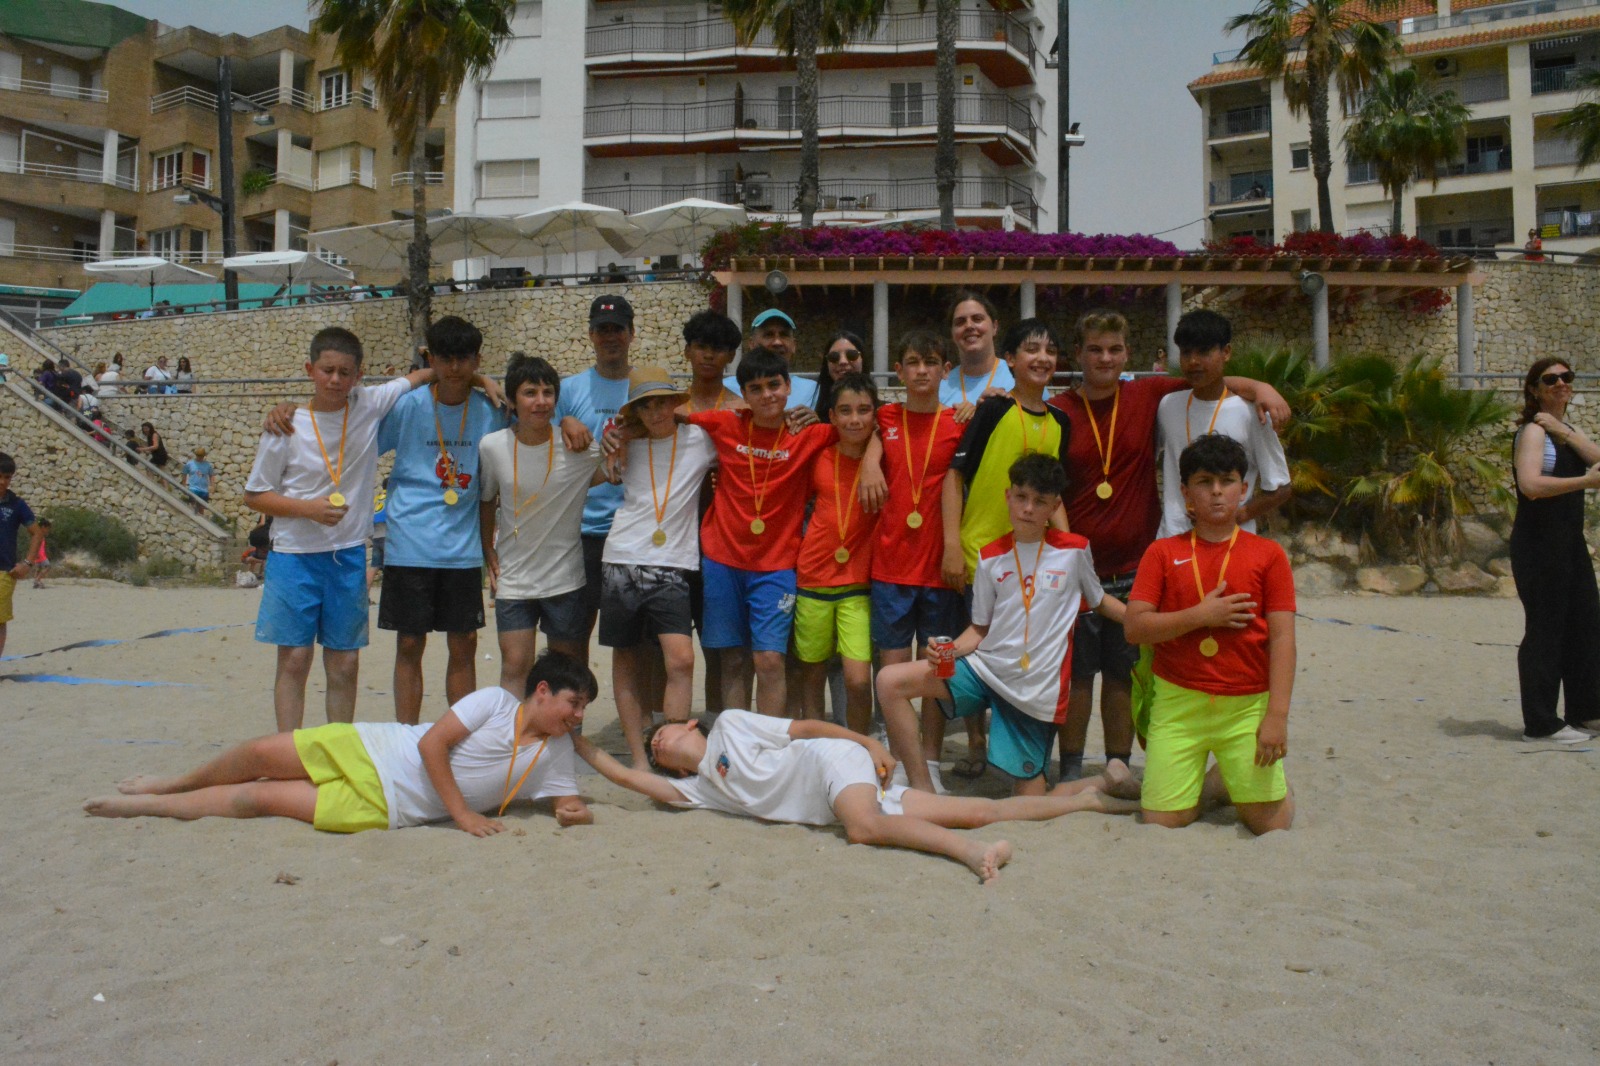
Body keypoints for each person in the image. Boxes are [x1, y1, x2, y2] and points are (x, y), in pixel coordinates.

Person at [1049, 309, 1289, 780]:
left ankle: (1125, 763)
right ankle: (1073, 768)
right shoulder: (1067, 409)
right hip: (1094, 560)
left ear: (1128, 355)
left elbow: (1211, 381)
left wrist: (1262, 387)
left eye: (1115, 349)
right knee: (1077, 672)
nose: (1105, 358)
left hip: (1142, 558)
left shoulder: (1148, 395)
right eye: (1095, 349)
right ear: (1077, 354)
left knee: (1132, 669)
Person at [572, 711, 1136, 885]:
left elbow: (805, 728)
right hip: (835, 796)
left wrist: (867, 742)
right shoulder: (698, 791)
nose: (658, 744)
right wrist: (570, 736)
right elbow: (625, 777)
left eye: (662, 732)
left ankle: (972, 855)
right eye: (655, 749)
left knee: (863, 828)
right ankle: (1088, 796)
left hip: (833, 765)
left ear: (690, 723)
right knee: (981, 810)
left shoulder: (731, 725)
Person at [84, 651, 596, 834]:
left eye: (583, 711)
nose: (576, 718)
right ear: (542, 691)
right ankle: (172, 783)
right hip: (373, 746)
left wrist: (571, 810)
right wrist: (462, 815)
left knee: (260, 797)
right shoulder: (494, 702)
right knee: (261, 754)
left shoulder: (555, 751)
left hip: (386, 807)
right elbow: (431, 746)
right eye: (573, 704)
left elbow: (566, 798)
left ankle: (147, 806)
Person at [882, 454, 1122, 796]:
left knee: (1029, 803)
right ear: (1008, 497)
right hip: (985, 670)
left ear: (1054, 506)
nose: (1028, 508)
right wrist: (947, 651)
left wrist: (1146, 623)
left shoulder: (1075, 550)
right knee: (889, 681)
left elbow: (1099, 601)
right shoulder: (989, 555)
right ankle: (923, 788)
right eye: (1021, 497)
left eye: (1040, 501)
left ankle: (1102, 783)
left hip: (1032, 690)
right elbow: (980, 629)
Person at [242, 327, 442, 733]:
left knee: (345, 662)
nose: (335, 380)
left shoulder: (368, 403)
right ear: (309, 370)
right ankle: (291, 750)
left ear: (359, 374)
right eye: (327, 370)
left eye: (345, 372)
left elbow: (425, 374)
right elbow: (255, 495)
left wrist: (485, 380)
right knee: (295, 659)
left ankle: (338, 747)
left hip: (347, 555)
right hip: (294, 555)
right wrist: (308, 510)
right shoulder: (285, 425)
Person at [1123, 434, 1296, 834]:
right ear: (1186, 493)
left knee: (1271, 826)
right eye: (1204, 482)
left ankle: (1233, 779)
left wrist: (1277, 716)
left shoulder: (1268, 555)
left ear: (1244, 488)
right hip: (1179, 703)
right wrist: (1201, 616)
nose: (1217, 491)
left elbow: (1283, 639)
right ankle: (1219, 781)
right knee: (1164, 821)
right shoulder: (1162, 553)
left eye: (1227, 481)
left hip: (1246, 704)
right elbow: (1135, 627)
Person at [938, 319, 1073, 778]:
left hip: (1031, 564)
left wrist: (1069, 553)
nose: (1042, 358)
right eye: (1031, 349)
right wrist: (951, 545)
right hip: (979, 556)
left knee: (1020, 653)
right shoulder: (993, 410)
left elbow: (1055, 497)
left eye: (1050, 350)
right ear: (1010, 359)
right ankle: (976, 743)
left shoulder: (1060, 422)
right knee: (972, 651)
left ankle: (1013, 750)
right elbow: (954, 476)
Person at [681, 348, 840, 715]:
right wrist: (619, 432)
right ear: (744, 395)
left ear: (789, 386)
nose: (767, 395)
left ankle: (768, 741)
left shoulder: (811, 434)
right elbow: (669, 414)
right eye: (756, 388)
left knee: (769, 660)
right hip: (723, 561)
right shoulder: (726, 423)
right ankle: (739, 740)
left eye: (774, 385)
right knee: (733, 659)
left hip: (777, 567)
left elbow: (865, 427)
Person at [373, 316, 504, 726]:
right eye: (446, 358)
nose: (455, 367)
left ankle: (460, 736)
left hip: (461, 549)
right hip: (409, 545)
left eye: (464, 358)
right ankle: (405, 736)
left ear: (477, 359)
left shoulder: (491, 411)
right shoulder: (407, 406)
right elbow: (359, 439)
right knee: (409, 644)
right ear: (431, 359)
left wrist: (486, 382)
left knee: (464, 644)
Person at [599, 366, 716, 766]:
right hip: (622, 558)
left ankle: (674, 753)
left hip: (672, 565)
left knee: (681, 659)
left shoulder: (699, 440)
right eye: (646, 406)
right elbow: (599, 472)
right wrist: (615, 439)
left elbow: (737, 425)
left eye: (663, 403)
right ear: (636, 412)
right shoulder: (623, 443)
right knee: (627, 660)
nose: (657, 412)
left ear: (675, 403)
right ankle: (638, 756)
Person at [871, 330, 967, 778]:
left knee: (937, 672)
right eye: (913, 362)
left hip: (940, 570)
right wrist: (870, 461)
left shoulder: (959, 422)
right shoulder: (885, 417)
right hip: (891, 566)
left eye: (931, 362)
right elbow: (862, 433)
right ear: (899, 371)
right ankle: (897, 761)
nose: (922, 370)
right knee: (891, 671)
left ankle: (929, 760)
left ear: (946, 369)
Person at [478, 354, 604, 696]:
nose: (541, 401)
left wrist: (573, 422)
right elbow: (487, 499)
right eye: (530, 393)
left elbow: (614, 466)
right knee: (515, 665)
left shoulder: (578, 447)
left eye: (548, 392)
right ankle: (514, 729)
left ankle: (568, 731)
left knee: (566, 671)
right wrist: (488, 549)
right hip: (514, 578)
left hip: (564, 578)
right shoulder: (492, 446)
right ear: (513, 399)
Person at [1509, 358, 1600, 744]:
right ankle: (1541, 724)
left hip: (1570, 544)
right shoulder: (1532, 432)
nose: (1561, 383)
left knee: (1585, 623)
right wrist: (1584, 482)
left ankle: (1586, 712)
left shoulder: (1567, 432)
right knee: (1545, 629)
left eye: (1566, 377)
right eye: (1550, 379)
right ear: (1534, 389)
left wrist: (1563, 431)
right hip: (1538, 544)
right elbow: (1530, 485)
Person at [793, 372, 882, 732]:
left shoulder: (885, 459)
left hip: (857, 585)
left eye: (863, 410)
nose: (854, 419)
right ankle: (816, 747)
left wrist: (875, 452)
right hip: (813, 579)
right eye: (845, 411)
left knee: (858, 680)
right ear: (831, 415)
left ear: (875, 414)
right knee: (812, 673)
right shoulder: (818, 456)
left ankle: (860, 746)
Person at [1155, 309, 1290, 538]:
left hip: (1230, 544)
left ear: (1226, 352)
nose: (1193, 361)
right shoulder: (1169, 405)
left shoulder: (1250, 414)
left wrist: (1238, 515)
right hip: (1174, 540)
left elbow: (1281, 488)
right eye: (1186, 352)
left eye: (1204, 351)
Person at [551, 294, 637, 654]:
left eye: (618, 329)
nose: (610, 337)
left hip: (633, 529)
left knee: (632, 643)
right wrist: (564, 423)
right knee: (571, 639)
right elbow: (539, 445)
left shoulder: (646, 389)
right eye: (603, 330)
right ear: (590, 334)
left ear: (632, 333)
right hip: (579, 531)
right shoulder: (568, 390)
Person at [721, 309, 821, 410]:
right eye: (768, 335)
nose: (777, 342)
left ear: (794, 345)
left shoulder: (812, 390)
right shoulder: (726, 388)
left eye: (784, 335)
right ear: (752, 344)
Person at [939, 290, 1013, 415]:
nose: (969, 326)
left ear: (994, 327)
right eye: (960, 322)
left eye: (977, 319)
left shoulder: (1019, 377)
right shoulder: (941, 386)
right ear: (952, 333)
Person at [0, 452, 43, 660]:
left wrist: (27, 563)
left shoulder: (16, 504)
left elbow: (37, 533)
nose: (3, 482)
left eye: (7, 477)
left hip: (3, 572)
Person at [813, 330, 866, 422]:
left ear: (863, 360)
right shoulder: (812, 411)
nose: (842, 361)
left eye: (851, 355)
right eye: (834, 357)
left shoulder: (882, 413)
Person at [182, 447, 214, 512]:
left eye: (201, 456)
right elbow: (184, 474)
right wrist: (184, 485)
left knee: (201, 508)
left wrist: (212, 486)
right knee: (192, 506)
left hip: (204, 490)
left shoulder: (207, 465)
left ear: (204, 456)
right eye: (198, 456)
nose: (200, 457)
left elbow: (211, 475)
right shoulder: (189, 464)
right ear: (196, 455)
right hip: (193, 488)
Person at [29, 517, 51, 588]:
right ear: (43, 527)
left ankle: (35, 582)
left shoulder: (36, 534)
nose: (48, 530)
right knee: (47, 566)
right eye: (47, 528)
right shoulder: (39, 535)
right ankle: (37, 580)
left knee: (38, 568)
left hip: (37, 554)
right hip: (40, 555)